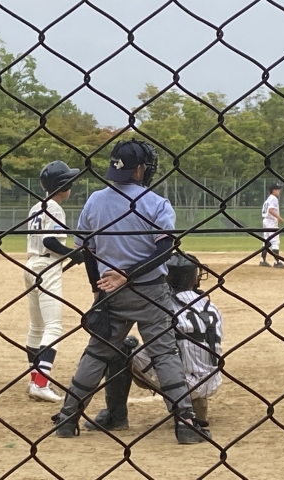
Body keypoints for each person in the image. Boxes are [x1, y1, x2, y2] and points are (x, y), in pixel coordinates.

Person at [53, 139, 207, 444]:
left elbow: (87, 251)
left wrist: (98, 289)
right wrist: (129, 274)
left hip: (110, 291)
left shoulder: (95, 201)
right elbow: (164, 250)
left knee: (97, 353)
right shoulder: (156, 202)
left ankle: (68, 418)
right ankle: (186, 423)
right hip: (150, 291)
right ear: (138, 170)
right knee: (164, 353)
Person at [84, 252, 223, 438]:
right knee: (182, 347)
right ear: (194, 278)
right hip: (212, 381)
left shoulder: (160, 305)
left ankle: (116, 416)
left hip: (181, 382)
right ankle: (195, 403)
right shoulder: (210, 306)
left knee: (122, 345)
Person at [25, 160, 84, 402]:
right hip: (47, 266)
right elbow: (50, 241)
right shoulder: (56, 208)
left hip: (31, 264)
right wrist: (74, 254)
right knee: (53, 327)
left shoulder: (36, 207)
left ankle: (35, 379)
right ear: (63, 184)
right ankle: (41, 383)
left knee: (36, 326)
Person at [260, 184, 284, 268]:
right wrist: (279, 218)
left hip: (266, 220)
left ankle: (262, 260)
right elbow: (270, 210)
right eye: (278, 189)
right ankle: (277, 262)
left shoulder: (268, 199)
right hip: (271, 222)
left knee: (266, 241)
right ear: (273, 190)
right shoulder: (274, 198)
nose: (279, 191)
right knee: (275, 241)